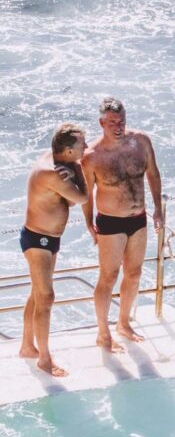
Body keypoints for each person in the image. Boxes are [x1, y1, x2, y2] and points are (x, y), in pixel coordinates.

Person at [82, 98, 163, 352]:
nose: (118, 126)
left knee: (135, 273)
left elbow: (153, 174)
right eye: (112, 122)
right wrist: (88, 224)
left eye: (122, 121)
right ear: (102, 123)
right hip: (110, 223)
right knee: (108, 276)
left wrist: (158, 209)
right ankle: (103, 334)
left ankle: (124, 323)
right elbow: (87, 194)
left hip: (138, 219)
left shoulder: (141, 142)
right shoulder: (92, 156)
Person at [19, 124, 89, 377]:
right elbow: (82, 198)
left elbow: (71, 198)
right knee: (46, 297)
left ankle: (28, 346)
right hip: (38, 239)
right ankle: (45, 359)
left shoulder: (61, 165)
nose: (87, 148)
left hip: (48, 239)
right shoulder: (52, 173)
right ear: (69, 151)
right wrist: (78, 172)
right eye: (83, 145)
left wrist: (73, 175)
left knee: (37, 294)